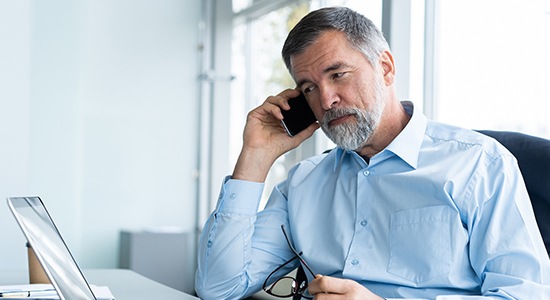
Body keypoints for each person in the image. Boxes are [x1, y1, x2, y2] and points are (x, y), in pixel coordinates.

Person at [195, 6, 550, 300]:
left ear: (385, 67)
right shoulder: (302, 183)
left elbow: (524, 295)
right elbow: (218, 288)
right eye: (309, 88)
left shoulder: (479, 164)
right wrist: (255, 157)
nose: (327, 100)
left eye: (338, 74)